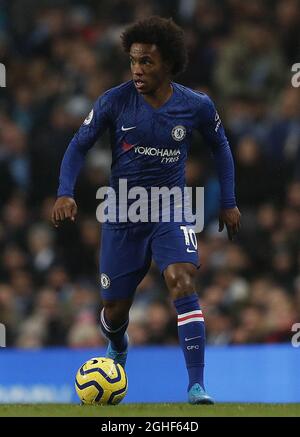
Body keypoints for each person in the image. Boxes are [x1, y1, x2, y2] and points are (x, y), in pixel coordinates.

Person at [51, 16, 241, 405]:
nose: (138, 69)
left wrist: (228, 201)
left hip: (170, 208)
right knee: (115, 309)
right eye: (134, 61)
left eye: (147, 62)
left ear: (168, 63)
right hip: (123, 211)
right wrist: (64, 192)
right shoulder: (114, 101)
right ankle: (118, 343)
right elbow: (77, 145)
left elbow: (221, 147)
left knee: (181, 279)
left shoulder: (196, 105)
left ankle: (196, 385)